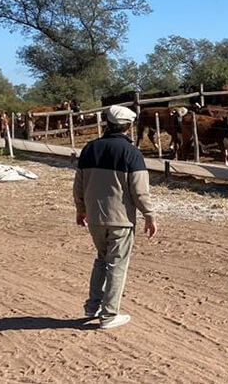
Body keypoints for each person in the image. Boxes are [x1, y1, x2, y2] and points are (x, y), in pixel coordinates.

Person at [73, 104, 157, 329]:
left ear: (107, 124)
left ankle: (92, 306)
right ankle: (109, 315)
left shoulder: (89, 149)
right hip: (120, 219)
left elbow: (79, 184)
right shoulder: (131, 153)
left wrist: (80, 209)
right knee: (117, 264)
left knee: (101, 259)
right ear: (128, 127)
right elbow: (139, 191)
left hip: (94, 217)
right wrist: (149, 215)